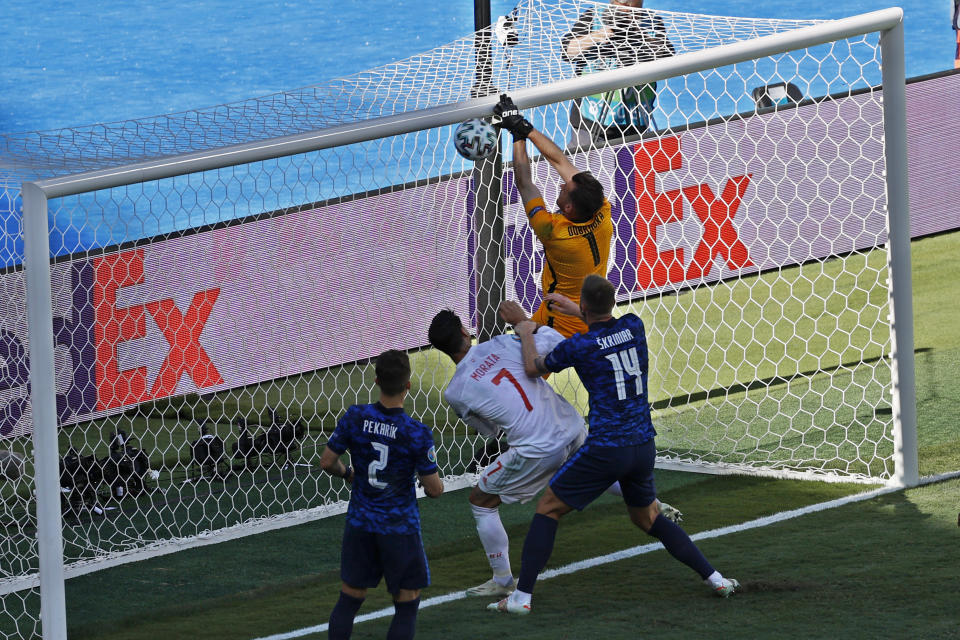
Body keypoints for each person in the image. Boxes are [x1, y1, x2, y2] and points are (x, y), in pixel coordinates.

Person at [489, 275, 738, 615]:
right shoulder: (634, 326)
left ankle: (520, 598)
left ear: (586, 306)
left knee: (548, 507)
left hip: (608, 448)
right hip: (644, 445)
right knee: (647, 517)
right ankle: (717, 578)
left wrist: (525, 329)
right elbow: (607, 324)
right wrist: (579, 309)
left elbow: (534, 368)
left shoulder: (580, 346)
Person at [427, 302, 681, 600]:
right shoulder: (504, 341)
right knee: (595, 468)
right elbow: (555, 342)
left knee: (481, 501)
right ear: (464, 332)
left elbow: (491, 432)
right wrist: (524, 324)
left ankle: (502, 579)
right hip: (570, 425)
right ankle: (654, 503)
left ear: (441, 349)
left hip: (537, 446)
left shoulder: (454, 392)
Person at [320, 349, 444, 640]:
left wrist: (349, 474)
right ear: (408, 385)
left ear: (376, 380)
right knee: (407, 601)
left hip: (360, 523)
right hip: (398, 527)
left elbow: (327, 461)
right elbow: (435, 489)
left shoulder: (355, 416)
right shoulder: (416, 432)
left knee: (350, 596)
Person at [494, 93, 613, 338]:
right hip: (587, 315)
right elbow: (559, 161)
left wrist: (518, 135)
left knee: (527, 369)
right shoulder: (600, 208)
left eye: (565, 189)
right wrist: (524, 128)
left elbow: (524, 183)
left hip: (558, 320)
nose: (561, 185)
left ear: (568, 209)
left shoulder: (553, 232)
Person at [561, 0, 675, 148]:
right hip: (590, 122)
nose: (624, 5)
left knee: (630, 168)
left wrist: (639, 34)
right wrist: (598, 35)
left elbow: (667, 58)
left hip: (635, 121)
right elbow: (567, 51)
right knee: (585, 166)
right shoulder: (594, 16)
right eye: (618, 2)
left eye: (628, 4)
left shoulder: (651, 22)